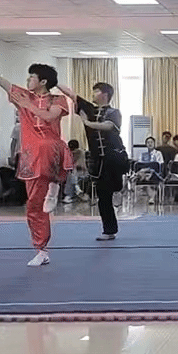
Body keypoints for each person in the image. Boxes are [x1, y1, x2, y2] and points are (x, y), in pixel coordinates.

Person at [0, 55, 71, 267]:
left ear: (43, 81)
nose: (28, 80)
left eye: (32, 77)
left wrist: (27, 105)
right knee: (33, 205)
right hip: (31, 156)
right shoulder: (22, 94)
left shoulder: (58, 100)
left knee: (48, 146)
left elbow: (49, 117)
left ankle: (54, 183)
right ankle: (41, 248)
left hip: (51, 151)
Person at [59, 81, 127, 241]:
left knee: (113, 188)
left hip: (113, 158)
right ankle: (109, 230)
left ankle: (118, 191)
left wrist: (87, 123)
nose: (93, 94)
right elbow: (72, 94)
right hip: (98, 160)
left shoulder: (114, 112)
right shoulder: (90, 109)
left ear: (105, 94)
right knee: (103, 196)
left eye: (96, 91)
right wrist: (54, 81)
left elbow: (108, 126)